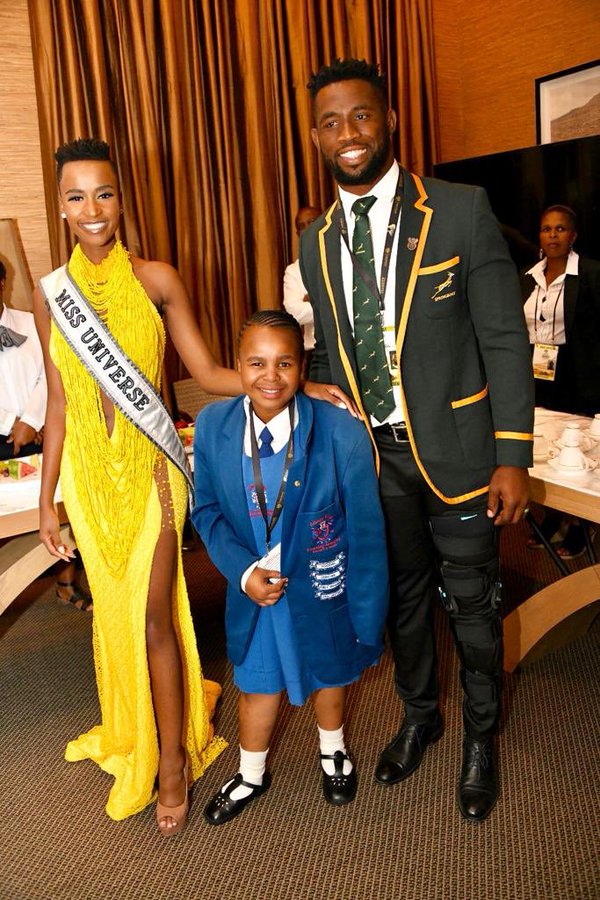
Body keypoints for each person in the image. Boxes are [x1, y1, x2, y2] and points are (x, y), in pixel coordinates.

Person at [33, 138, 357, 833]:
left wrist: (308, 385)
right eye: (76, 196)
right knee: (116, 618)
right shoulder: (49, 295)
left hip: (151, 474)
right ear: (60, 208)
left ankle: (175, 766)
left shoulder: (156, 280)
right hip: (91, 485)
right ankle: (140, 734)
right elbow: (59, 404)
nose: (93, 209)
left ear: (122, 200)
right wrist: (48, 500)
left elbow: (209, 373)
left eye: (105, 193)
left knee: (153, 617)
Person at [299, 59, 534, 823]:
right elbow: (333, 352)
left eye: (361, 116)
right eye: (331, 122)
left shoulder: (461, 211)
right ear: (315, 135)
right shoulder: (316, 240)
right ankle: (420, 715)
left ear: (389, 118)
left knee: (472, 602)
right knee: (400, 600)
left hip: (463, 451)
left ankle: (480, 737)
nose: (348, 135)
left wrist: (513, 455)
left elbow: (504, 340)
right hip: (375, 460)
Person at [192, 310, 388, 825]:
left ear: (303, 367)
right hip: (257, 589)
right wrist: (241, 573)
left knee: (330, 671)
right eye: (256, 363)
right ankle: (252, 772)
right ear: (237, 366)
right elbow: (206, 511)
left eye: (284, 363)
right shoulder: (213, 426)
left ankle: (333, 750)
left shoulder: (340, 432)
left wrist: (368, 615)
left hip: (322, 586)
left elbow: (366, 529)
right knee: (257, 681)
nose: (270, 376)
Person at [0, 260, 91, 611]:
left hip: (42, 429)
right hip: (4, 435)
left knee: (64, 504)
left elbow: (51, 374)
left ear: (3, 282)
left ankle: (67, 581)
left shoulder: (29, 320)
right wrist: (11, 423)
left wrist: (31, 419)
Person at [522, 205, 600, 558]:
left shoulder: (592, 274)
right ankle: (553, 515)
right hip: (537, 372)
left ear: (573, 236)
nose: (552, 235)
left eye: (560, 229)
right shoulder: (527, 277)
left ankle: (580, 525)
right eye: (545, 229)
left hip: (577, 374)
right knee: (545, 445)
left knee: (577, 447)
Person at [283, 205, 321, 372]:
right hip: (313, 353)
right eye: (301, 226)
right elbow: (295, 314)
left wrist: (312, 299)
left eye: (312, 222)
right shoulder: (293, 271)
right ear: (297, 234)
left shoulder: (344, 260)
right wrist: (327, 300)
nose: (307, 229)